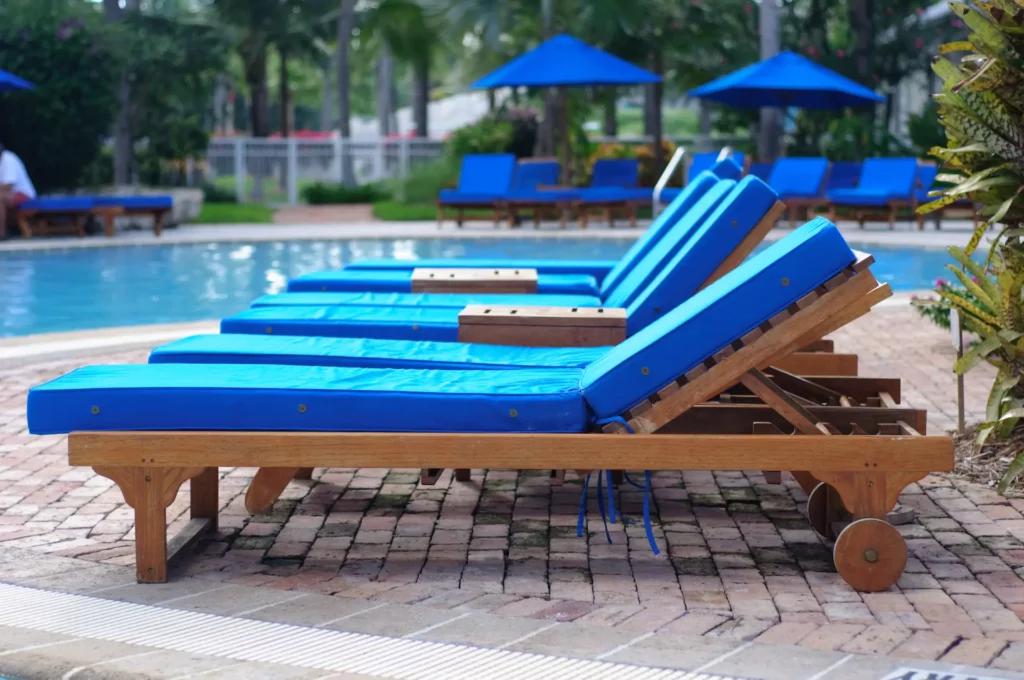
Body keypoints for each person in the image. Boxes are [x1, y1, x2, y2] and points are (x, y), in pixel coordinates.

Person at [0, 144, 36, 239]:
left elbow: (8, 185)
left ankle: (1, 234)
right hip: (10, 194)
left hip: (24, 194)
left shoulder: (8, 159)